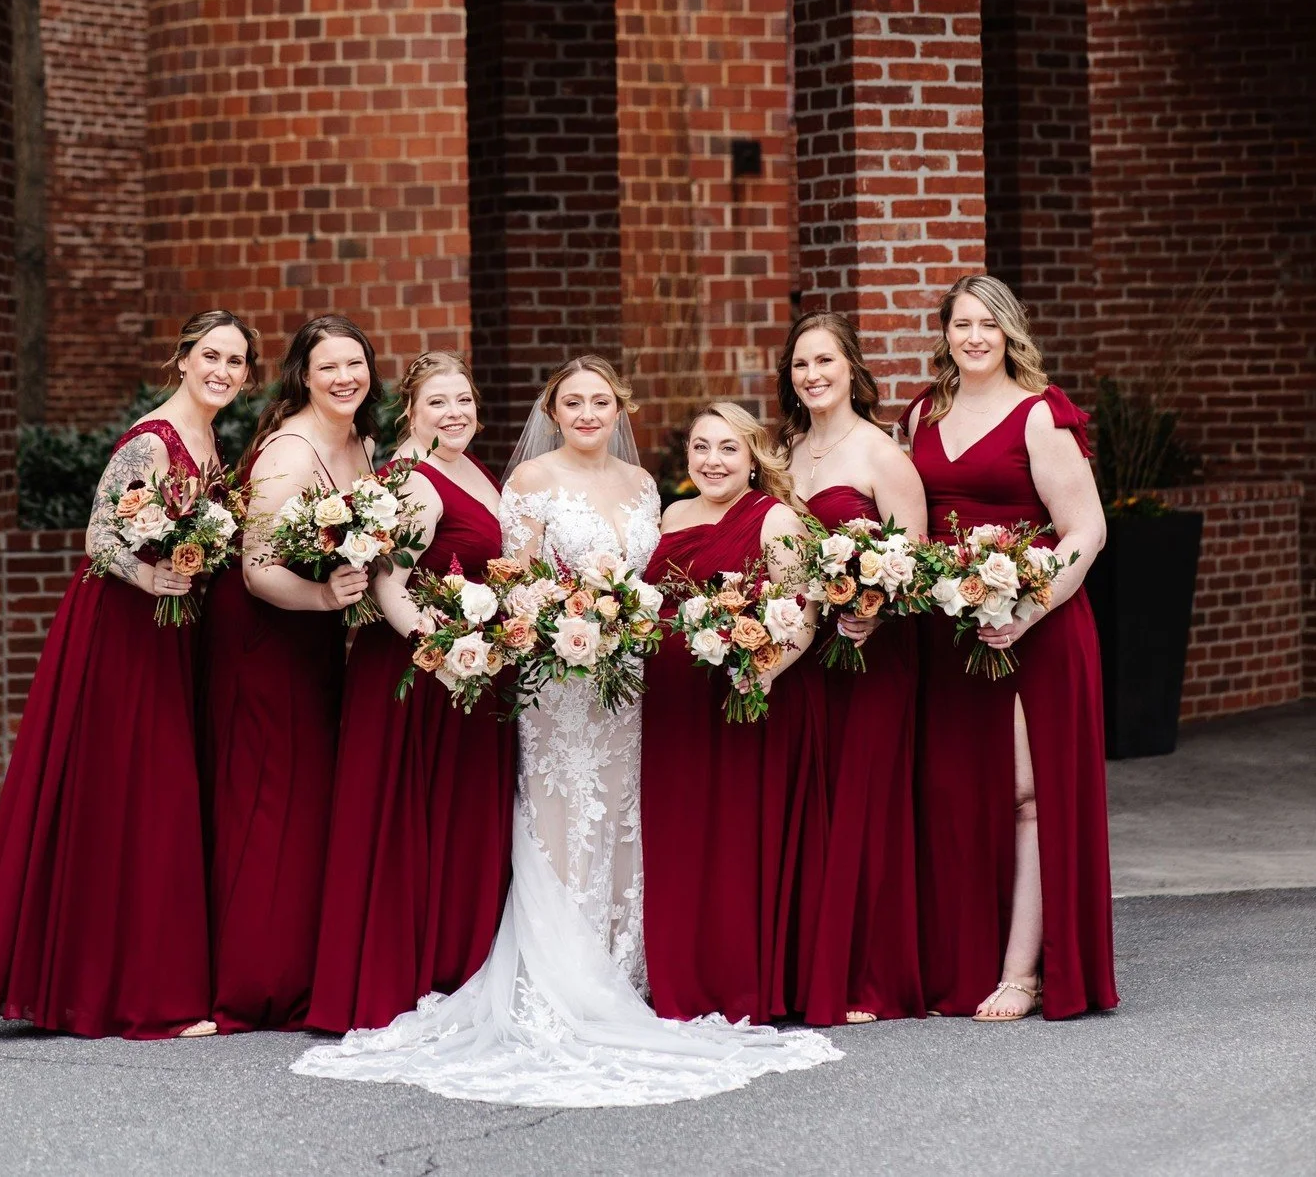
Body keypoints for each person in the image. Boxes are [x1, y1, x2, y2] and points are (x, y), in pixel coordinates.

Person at [294, 357, 840, 1106]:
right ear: (553, 409)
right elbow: (515, 583)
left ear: (620, 408)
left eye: (601, 401)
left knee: (624, 817)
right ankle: (559, 979)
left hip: (631, 682)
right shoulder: (528, 481)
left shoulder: (649, 487)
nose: (588, 413)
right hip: (559, 681)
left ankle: (625, 971)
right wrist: (561, 621)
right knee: (559, 811)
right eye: (573, 402)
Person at [0, 310, 257, 1038]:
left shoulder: (211, 437)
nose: (222, 370)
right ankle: (125, 989)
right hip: (122, 628)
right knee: (135, 793)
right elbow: (98, 535)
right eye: (210, 355)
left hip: (168, 630)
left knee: (151, 795)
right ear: (181, 359)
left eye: (237, 362)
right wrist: (152, 581)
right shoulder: (153, 439)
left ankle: (120, 972)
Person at [907, 275, 1117, 1021]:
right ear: (946, 332)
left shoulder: (1040, 416)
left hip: (1040, 627)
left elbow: (1086, 530)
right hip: (952, 635)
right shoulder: (922, 415)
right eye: (961, 324)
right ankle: (961, 963)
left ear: (1009, 333)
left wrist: (1027, 609)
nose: (973, 337)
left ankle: (1023, 972)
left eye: (987, 325)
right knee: (961, 794)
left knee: (1029, 797)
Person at [306, 352, 515, 1032]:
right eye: (438, 404)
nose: (454, 414)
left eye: (464, 400)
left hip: (468, 666)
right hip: (419, 675)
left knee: (456, 820)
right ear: (412, 411)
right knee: (410, 818)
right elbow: (387, 583)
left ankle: (453, 961)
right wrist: (440, 652)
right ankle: (401, 973)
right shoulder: (416, 480)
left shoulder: (469, 468)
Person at [199, 314, 377, 1032]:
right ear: (304, 375)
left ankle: (301, 969)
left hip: (317, 642)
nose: (344, 378)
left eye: (356, 364)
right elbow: (256, 568)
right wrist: (324, 596)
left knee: (310, 806)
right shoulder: (290, 452)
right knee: (267, 806)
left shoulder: (362, 443)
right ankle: (251, 984)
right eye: (329, 366)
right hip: (266, 638)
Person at [640, 401, 823, 1024]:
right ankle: (680, 982)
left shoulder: (773, 520)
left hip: (740, 699)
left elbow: (803, 614)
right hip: (670, 703)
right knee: (680, 834)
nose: (712, 461)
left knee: (735, 837)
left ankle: (740, 984)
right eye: (701, 447)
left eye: (727, 449)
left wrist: (760, 673)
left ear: (753, 458)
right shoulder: (672, 513)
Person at [778, 312, 928, 1025]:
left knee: (866, 804)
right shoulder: (785, 450)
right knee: (815, 803)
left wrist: (876, 607)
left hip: (873, 653)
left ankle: (869, 976)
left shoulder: (882, 456)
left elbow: (916, 562)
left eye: (825, 362)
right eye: (801, 364)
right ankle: (812, 967)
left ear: (851, 370)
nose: (812, 375)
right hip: (805, 655)